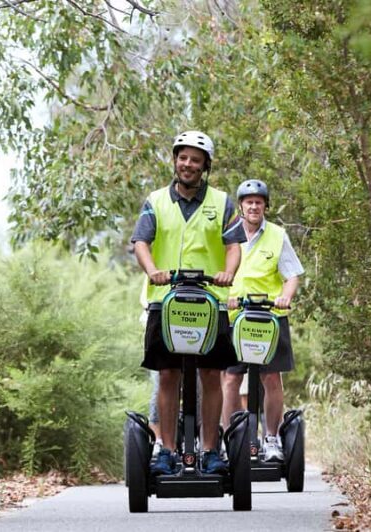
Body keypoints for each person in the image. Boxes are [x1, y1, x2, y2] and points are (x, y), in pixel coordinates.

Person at [131, 130, 245, 475]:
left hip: (210, 303)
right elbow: (141, 242)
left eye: (196, 159)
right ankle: (166, 450)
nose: (188, 164)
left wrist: (227, 272)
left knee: (211, 374)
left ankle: (210, 450)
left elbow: (234, 245)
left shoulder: (222, 202)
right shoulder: (156, 200)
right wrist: (152, 271)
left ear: (205, 165)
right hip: (165, 302)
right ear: (175, 160)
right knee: (168, 374)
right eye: (183, 157)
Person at [221, 179, 304, 462]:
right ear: (241, 206)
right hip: (236, 316)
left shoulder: (278, 235)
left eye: (259, 202)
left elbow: (291, 275)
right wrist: (225, 296)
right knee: (231, 378)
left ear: (265, 205)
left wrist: (285, 297)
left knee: (271, 377)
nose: (254, 206)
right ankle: (231, 437)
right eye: (248, 202)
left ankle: (271, 439)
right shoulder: (228, 234)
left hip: (269, 317)